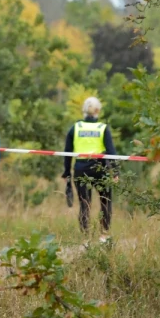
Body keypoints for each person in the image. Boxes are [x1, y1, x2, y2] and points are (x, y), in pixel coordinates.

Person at [63, 96, 117, 242]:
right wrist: (115, 171)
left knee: (84, 204)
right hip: (100, 169)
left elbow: (67, 152)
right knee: (105, 201)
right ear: (97, 111)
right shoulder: (102, 128)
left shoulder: (75, 128)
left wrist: (67, 172)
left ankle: (85, 238)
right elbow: (111, 151)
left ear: (84, 111)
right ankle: (104, 235)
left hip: (81, 169)